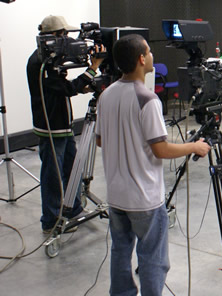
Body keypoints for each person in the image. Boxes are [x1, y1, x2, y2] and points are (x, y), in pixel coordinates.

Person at [95, 34, 211, 296]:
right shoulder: (148, 100)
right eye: (148, 52)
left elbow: (101, 140)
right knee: (153, 259)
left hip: (116, 196)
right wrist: (194, 147)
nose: (151, 56)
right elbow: (161, 149)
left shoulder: (106, 95)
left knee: (120, 252)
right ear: (140, 59)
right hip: (144, 199)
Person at [26, 15, 105, 234]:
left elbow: (62, 87)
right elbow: (67, 89)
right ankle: (50, 221)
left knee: (72, 168)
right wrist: (93, 68)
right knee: (52, 176)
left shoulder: (49, 60)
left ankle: (73, 209)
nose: (68, 40)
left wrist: (85, 84)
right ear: (53, 36)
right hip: (51, 127)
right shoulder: (40, 63)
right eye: (64, 35)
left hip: (63, 125)